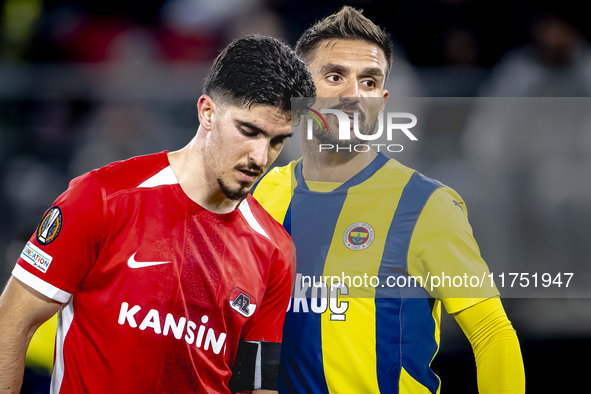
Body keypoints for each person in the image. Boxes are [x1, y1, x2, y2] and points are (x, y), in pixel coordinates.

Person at [0, 35, 315, 394]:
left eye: (277, 140)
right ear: (207, 112)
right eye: (249, 131)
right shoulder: (103, 197)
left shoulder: (275, 251)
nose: (260, 157)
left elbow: (256, 385)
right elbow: (12, 323)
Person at [251, 7, 526, 393]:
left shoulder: (426, 205)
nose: (352, 95)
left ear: (380, 101)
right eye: (334, 76)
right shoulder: (263, 196)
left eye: (368, 81)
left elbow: (492, 332)